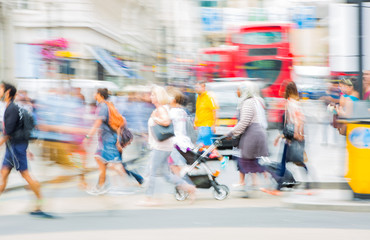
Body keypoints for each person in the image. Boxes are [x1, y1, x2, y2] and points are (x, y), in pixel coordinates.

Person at [0, 82, 52, 218]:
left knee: (26, 175)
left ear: (7, 92)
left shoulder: (11, 108)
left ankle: (40, 201)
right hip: (14, 147)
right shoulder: (11, 107)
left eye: (0, 88)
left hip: (16, 148)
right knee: (3, 174)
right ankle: (39, 201)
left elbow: (9, 132)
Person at [141, 86, 195, 206]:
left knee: (152, 172)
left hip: (161, 147)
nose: (151, 97)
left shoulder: (161, 109)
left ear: (159, 97)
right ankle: (188, 187)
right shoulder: (162, 108)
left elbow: (166, 122)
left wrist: (155, 118)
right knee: (165, 174)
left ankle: (149, 198)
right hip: (162, 146)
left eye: (153, 95)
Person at [225, 82, 269, 191]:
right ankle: (254, 183)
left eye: (239, 89)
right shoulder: (255, 101)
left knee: (244, 159)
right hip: (254, 133)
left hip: (252, 134)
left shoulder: (248, 102)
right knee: (250, 159)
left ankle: (267, 173)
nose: (237, 91)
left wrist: (232, 132)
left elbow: (244, 121)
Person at [84, 88, 128, 195]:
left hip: (107, 139)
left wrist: (88, 137)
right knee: (101, 161)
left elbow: (97, 123)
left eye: (95, 92)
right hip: (106, 138)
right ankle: (102, 185)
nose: (93, 94)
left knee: (107, 162)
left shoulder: (103, 106)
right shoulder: (105, 105)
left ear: (100, 95)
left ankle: (128, 183)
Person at [269, 81, 310, 195]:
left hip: (292, 137)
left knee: (291, 161)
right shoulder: (296, 102)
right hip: (292, 136)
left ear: (287, 91)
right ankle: (308, 185)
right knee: (296, 161)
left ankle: (278, 188)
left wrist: (296, 133)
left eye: (283, 89)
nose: (281, 92)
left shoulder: (290, 103)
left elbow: (298, 120)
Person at [167, 87, 194, 178]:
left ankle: (183, 184)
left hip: (175, 142)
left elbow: (165, 123)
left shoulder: (172, 112)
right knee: (174, 164)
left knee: (173, 164)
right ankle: (182, 183)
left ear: (173, 100)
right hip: (183, 140)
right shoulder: (182, 111)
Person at [194, 81, 218, 146]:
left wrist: (214, 126)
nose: (196, 89)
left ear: (203, 87)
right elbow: (198, 110)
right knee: (202, 146)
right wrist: (195, 123)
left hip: (207, 126)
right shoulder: (199, 97)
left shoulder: (209, 97)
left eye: (197, 87)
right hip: (200, 126)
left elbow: (214, 111)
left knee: (206, 146)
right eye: (195, 87)